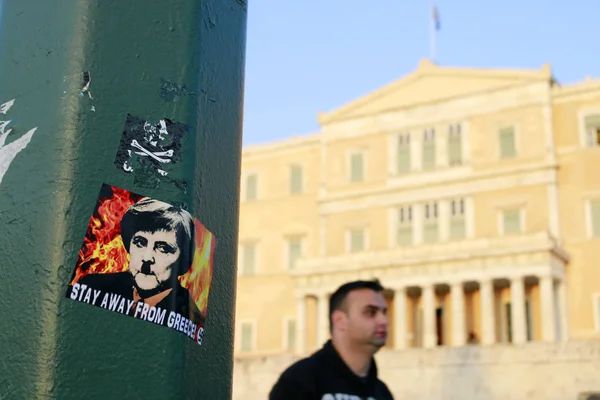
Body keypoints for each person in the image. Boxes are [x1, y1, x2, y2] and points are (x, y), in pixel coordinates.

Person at [67, 197, 204, 327]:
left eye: (162, 248)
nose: (147, 257)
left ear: (182, 258)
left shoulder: (191, 318)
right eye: (140, 243)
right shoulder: (92, 287)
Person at [269, 280, 394, 400]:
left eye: (384, 313)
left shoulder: (382, 393)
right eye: (370, 313)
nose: (384, 321)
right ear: (340, 321)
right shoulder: (300, 380)